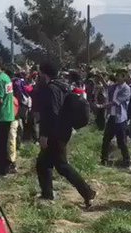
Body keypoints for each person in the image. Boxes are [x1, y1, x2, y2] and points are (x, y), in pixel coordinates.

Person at [34, 62, 96, 207]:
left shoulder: (50, 89)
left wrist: (44, 135)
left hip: (55, 133)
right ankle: (47, 195)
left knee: (61, 165)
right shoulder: (63, 86)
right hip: (63, 130)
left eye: (39, 73)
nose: (38, 76)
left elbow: (52, 113)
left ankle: (87, 192)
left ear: (44, 74)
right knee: (43, 163)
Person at [100, 69, 131, 167]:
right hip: (112, 116)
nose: (117, 78)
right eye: (117, 76)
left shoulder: (126, 89)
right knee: (106, 139)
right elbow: (107, 87)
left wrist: (103, 106)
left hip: (120, 118)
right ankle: (104, 160)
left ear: (124, 77)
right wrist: (101, 78)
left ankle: (127, 161)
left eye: (119, 76)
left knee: (121, 141)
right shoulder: (114, 86)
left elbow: (117, 102)